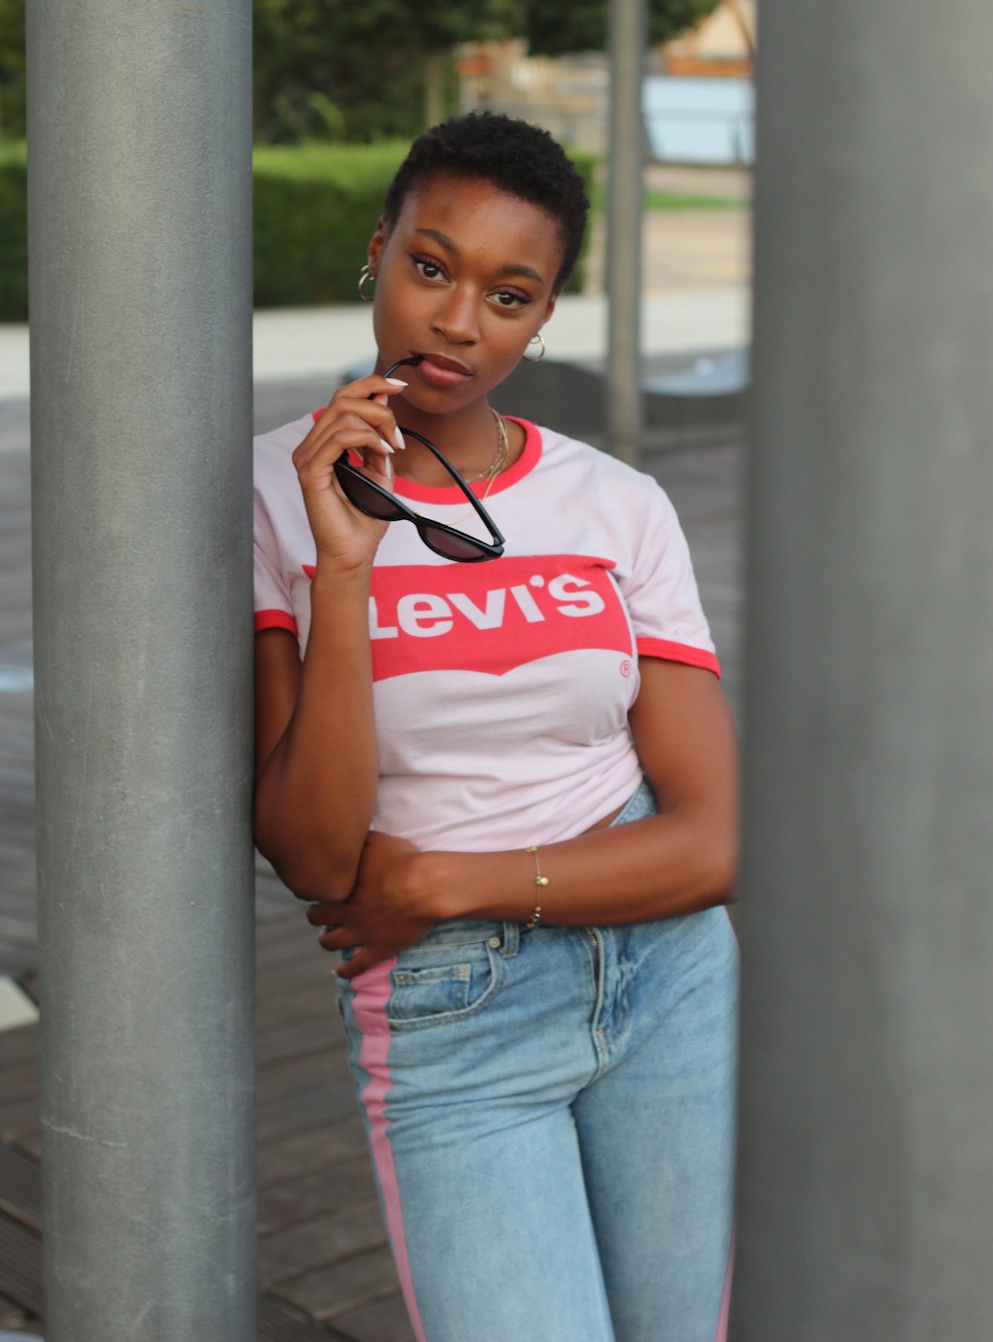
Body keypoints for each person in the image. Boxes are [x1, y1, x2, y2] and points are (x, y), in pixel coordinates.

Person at [252, 112, 739, 1342]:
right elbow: (315, 859)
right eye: (432, 267)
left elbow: (709, 843)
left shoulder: (617, 504)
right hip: (454, 1020)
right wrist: (346, 567)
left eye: (509, 295)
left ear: (543, 316)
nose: (459, 322)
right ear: (380, 251)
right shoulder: (266, 495)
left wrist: (444, 880)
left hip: (667, 976)